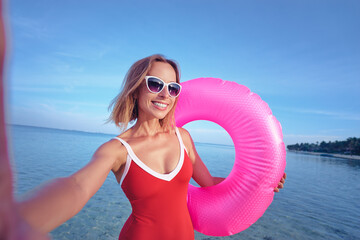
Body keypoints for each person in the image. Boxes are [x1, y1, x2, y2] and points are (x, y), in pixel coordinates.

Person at [3, 54, 286, 239]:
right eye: (155, 84)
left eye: (173, 88)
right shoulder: (117, 150)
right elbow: (77, 187)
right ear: (137, 88)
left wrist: (261, 183)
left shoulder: (183, 137)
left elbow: (210, 182)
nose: (165, 94)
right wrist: (25, 217)